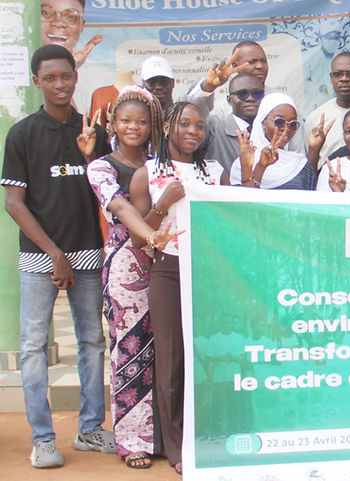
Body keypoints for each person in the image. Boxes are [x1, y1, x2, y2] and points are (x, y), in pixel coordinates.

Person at [2, 44, 115, 469]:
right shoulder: (23, 133)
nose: (59, 84)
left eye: (65, 76)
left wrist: (92, 156)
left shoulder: (92, 132)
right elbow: (14, 203)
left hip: (87, 251)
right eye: (49, 78)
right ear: (37, 81)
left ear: (75, 77)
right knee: (33, 348)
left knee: (92, 341)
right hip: (39, 258)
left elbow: (109, 193)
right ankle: (43, 438)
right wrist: (54, 255)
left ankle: (89, 428)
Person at [85, 86, 179, 469]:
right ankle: (131, 439)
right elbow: (121, 207)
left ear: (153, 125)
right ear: (113, 123)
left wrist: (159, 234)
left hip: (167, 257)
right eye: (125, 120)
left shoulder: (162, 163)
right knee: (129, 349)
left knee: (166, 349)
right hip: (126, 262)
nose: (133, 127)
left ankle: (164, 435)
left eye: (141, 121)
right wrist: (152, 227)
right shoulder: (101, 166)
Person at [129, 100, 222, 475]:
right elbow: (139, 239)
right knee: (171, 360)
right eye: (184, 124)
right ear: (168, 127)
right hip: (167, 270)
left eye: (199, 126)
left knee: (205, 358)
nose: (192, 132)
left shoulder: (215, 171)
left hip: (207, 272)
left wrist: (252, 171)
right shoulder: (146, 173)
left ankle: (207, 437)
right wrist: (162, 204)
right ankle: (176, 446)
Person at [230, 93, 316, 190]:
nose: (286, 129)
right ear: (263, 121)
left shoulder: (301, 164)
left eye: (292, 124)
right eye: (279, 121)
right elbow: (244, 203)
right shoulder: (243, 163)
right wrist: (259, 167)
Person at [306, 52, 350, 168]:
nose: (344, 79)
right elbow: (310, 165)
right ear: (331, 78)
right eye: (338, 74)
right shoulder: (316, 118)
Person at [187, 41, 269, 117]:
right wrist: (209, 86)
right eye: (252, 62)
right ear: (235, 66)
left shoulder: (279, 99)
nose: (260, 66)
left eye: (264, 61)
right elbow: (190, 115)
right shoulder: (220, 109)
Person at [202, 73, 264, 172]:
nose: (250, 98)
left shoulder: (273, 129)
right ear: (229, 100)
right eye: (242, 94)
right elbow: (188, 118)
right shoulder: (214, 127)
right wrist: (207, 87)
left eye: (257, 94)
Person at [41, 0, 102, 69]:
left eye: (71, 17)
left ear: (82, 25)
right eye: (46, 13)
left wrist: (70, 68)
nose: (59, 23)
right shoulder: (26, 60)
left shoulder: (97, 71)